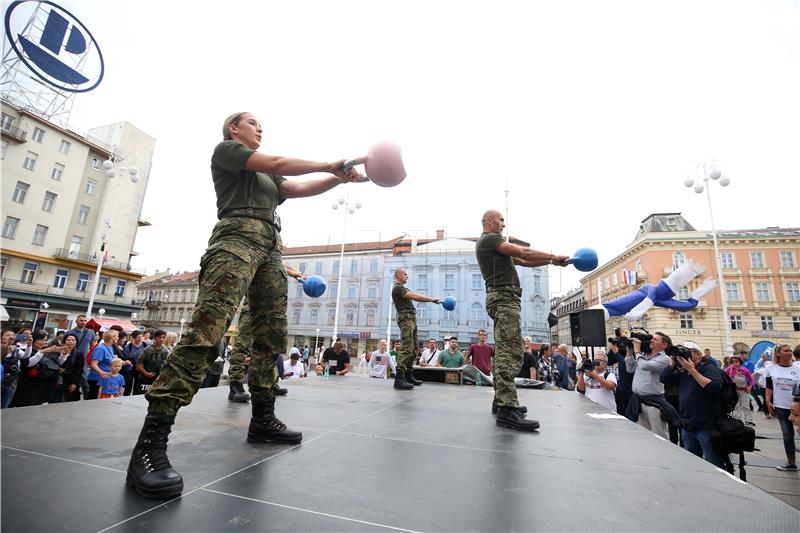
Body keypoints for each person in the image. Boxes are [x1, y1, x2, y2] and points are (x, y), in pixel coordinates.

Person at [126, 111, 363, 499]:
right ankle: (149, 447)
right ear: (234, 129)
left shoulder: (268, 178)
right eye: (252, 122)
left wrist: (338, 176)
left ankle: (263, 419)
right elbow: (277, 162)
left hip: (271, 247)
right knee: (208, 334)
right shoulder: (229, 152)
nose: (260, 128)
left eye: (260, 125)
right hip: (236, 238)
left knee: (271, 336)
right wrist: (330, 162)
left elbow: (298, 187)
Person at [476, 209, 570, 430]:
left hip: (502, 298)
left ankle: (501, 402)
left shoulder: (492, 246)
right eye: (501, 220)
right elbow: (524, 252)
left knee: (504, 352)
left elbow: (523, 261)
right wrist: (553, 256)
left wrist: (552, 262)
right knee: (510, 353)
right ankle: (507, 409)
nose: (503, 225)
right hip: (504, 299)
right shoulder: (490, 239)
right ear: (489, 222)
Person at [228, 262, 304, 402]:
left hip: (270, 308)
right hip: (251, 306)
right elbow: (282, 265)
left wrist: (299, 274)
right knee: (242, 345)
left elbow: (284, 263)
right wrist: (296, 274)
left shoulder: (274, 255)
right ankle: (235, 384)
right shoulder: (258, 255)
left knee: (270, 347)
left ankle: (269, 383)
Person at [659, 341, 724, 468]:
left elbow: (714, 387)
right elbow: (664, 379)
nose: (683, 355)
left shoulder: (708, 368)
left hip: (706, 426)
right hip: (688, 425)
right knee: (692, 463)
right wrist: (673, 362)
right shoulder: (683, 371)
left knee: (713, 463)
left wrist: (692, 370)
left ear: (698, 355)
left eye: (688, 351)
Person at [392, 267, 441, 390]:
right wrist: (431, 299)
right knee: (407, 347)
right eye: (405, 274)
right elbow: (414, 296)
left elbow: (412, 295)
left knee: (414, 349)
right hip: (405, 317)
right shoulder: (397, 288)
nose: (407, 276)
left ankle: (408, 375)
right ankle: (399, 378)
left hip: (411, 318)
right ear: (398, 276)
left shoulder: (404, 288)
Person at [625, 333, 674, 439]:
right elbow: (630, 369)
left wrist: (637, 351)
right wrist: (629, 350)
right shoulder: (643, 355)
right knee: (644, 436)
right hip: (639, 400)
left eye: (655, 339)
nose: (651, 340)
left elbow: (645, 366)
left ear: (664, 345)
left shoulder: (665, 359)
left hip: (654, 403)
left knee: (659, 435)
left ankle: (664, 454)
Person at [765, 344, 800, 471]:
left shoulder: (798, 368)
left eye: (790, 351)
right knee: (787, 434)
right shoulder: (771, 368)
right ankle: (791, 462)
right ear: (778, 353)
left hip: (797, 406)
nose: (789, 353)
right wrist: (768, 401)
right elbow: (769, 386)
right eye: (786, 351)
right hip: (780, 406)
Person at [66, 315, 96, 400]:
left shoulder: (90, 332)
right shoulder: (69, 332)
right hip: (71, 360)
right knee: (71, 382)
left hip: (84, 362)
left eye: (85, 321)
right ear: (76, 321)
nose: (83, 322)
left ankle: (87, 400)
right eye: (81, 320)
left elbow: (93, 347)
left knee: (85, 383)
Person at [136, 330, 170, 394]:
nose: (161, 339)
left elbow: (168, 365)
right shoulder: (147, 349)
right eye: (159, 337)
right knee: (143, 395)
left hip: (159, 379)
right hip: (146, 378)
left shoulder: (166, 351)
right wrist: (146, 373)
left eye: (163, 337)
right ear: (154, 338)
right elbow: (139, 363)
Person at [87, 330, 118, 401]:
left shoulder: (110, 347)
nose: (118, 338)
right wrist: (102, 373)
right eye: (117, 336)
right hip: (97, 379)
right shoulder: (101, 349)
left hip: (105, 379)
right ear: (112, 337)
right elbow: (93, 364)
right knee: (93, 400)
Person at [726, 353, 754, 426]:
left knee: (745, 404)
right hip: (734, 390)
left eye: (736, 361)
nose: (734, 363)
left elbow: (751, 380)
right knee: (736, 404)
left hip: (744, 390)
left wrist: (749, 387)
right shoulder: (729, 369)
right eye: (733, 361)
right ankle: (737, 419)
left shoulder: (745, 370)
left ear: (740, 362)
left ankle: (748, 420)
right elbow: (725, 378)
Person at [59, 333, 83, 402]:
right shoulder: (59, 351)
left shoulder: (79, 354)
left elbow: (79, 370)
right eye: (68, 340)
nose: (71, 342)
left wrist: (74, 383)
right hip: (59, 380)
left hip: (71, 380)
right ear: (64, 341)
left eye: (73, 340)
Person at [123, 331, 146, 397]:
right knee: (128, 385)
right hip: (130, 369)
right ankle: (126, 397)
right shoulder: (128, 346)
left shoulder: (145, 345)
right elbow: (125, 357)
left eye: (141, 337)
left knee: (138, 385)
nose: (140, 338)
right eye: (138, 337)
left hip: (140, 368)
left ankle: (136, 396)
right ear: (133, 338)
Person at [753, 352, 773, 418]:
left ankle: (772, 412)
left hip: (771, 386)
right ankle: (767, 413)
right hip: (764, 386)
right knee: (765, 400)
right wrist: (758, 383)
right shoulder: (762, 369)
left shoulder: (772, 367)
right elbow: (753, 375)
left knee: (772, 399)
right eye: (763, 357)